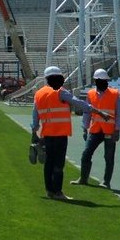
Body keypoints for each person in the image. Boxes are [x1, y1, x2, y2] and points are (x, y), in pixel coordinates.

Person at [31, 66, 112, 201]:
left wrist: (34, 131)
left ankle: (49, 191)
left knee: (49, 163)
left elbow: (35, 115)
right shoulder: (60, 91)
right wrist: (99, 112)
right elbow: (79, 103)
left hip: (46, 135)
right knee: (58, 164)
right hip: (60, 135)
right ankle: (58, 192)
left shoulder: (39, 93)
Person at [70, 69, 120, 189]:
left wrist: (117, 130)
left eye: (106, 81)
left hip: (109, 130)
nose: (105, 83)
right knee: (86, 154)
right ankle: (83, 178)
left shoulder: (114, 93)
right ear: (96, 81)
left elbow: (118, 113)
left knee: (109, 157)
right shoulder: (91, 94)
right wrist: (85, 127)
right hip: (95, 129)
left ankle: (106, 182)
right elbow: (87, 112)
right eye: (102, 81)